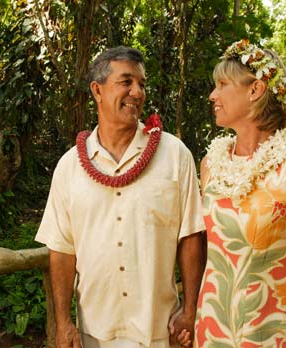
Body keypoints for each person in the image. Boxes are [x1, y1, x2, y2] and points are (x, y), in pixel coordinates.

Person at [35, 46, 206, 348]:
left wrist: (190, 311)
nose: (137, 92)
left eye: (141, 83)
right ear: (97, 90)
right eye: (126, 82)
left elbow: (191, 236)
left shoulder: (174, 155)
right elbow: (62, 249)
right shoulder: (69, 166)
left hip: (160, 331)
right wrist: (63, 322)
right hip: (94, 332)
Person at [186, 39, 286, 348]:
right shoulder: (211, 163)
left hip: (272, 334)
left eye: (223, 84)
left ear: (255, 89)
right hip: (212, 332)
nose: (213, 95)